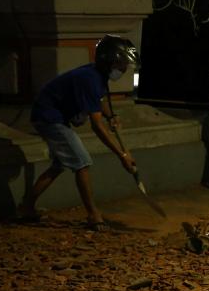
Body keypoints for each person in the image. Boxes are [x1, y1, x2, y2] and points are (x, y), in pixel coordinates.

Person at [18, 35, 138, 231]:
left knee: (59, 165)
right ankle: (93, 214)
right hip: (49, 118)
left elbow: (99, 102)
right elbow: (96, 126)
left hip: (55, 116)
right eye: (121, 63)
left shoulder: (98, 76)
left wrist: (111, 116)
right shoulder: (89, 78)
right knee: (82, 162)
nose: (123, 69)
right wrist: (122, 155)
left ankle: (26, 207)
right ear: (108, 60)